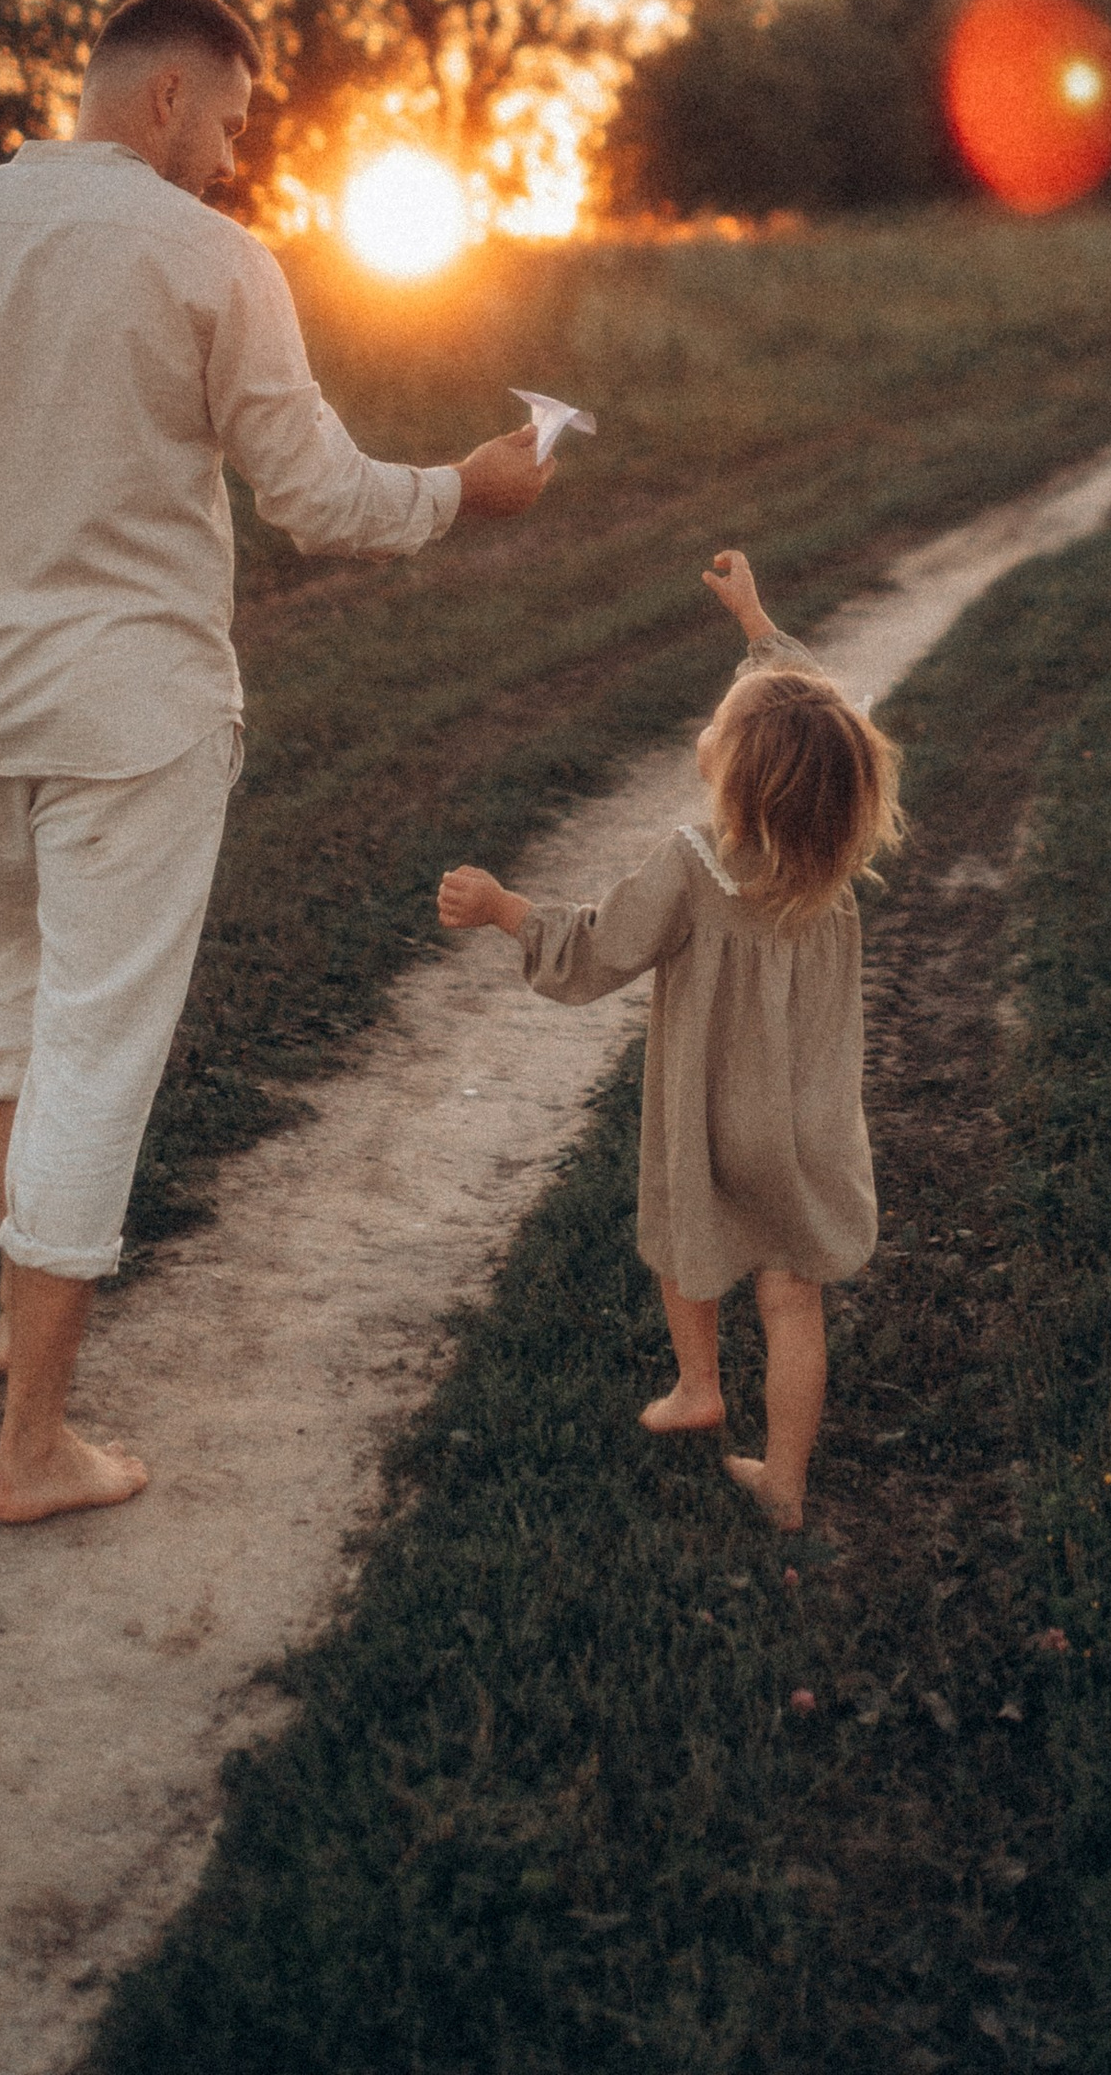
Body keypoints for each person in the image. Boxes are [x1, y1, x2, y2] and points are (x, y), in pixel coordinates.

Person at [0, 0, 551, 1525]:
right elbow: (322, 498)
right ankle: (34, 1448)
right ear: (163, 98)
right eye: (228, 119)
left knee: (3, 999)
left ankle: (25, 1325)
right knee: (96, 1044)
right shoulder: (212, 258)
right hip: (130, 711)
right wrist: (466, 491)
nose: (231, 154)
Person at [436, 548, 901, 1532]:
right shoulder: (832, 857)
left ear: (733, 776)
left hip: (712, 1120)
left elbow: (600, 951)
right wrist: (756, 623)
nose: (711, 725)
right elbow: (814, 716)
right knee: (792, 1304)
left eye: (721, 727)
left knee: (681, 1235)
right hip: (810, 1126)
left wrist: (505, 909)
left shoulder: (693, 866)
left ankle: (698, 1384)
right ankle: (783, 1482)